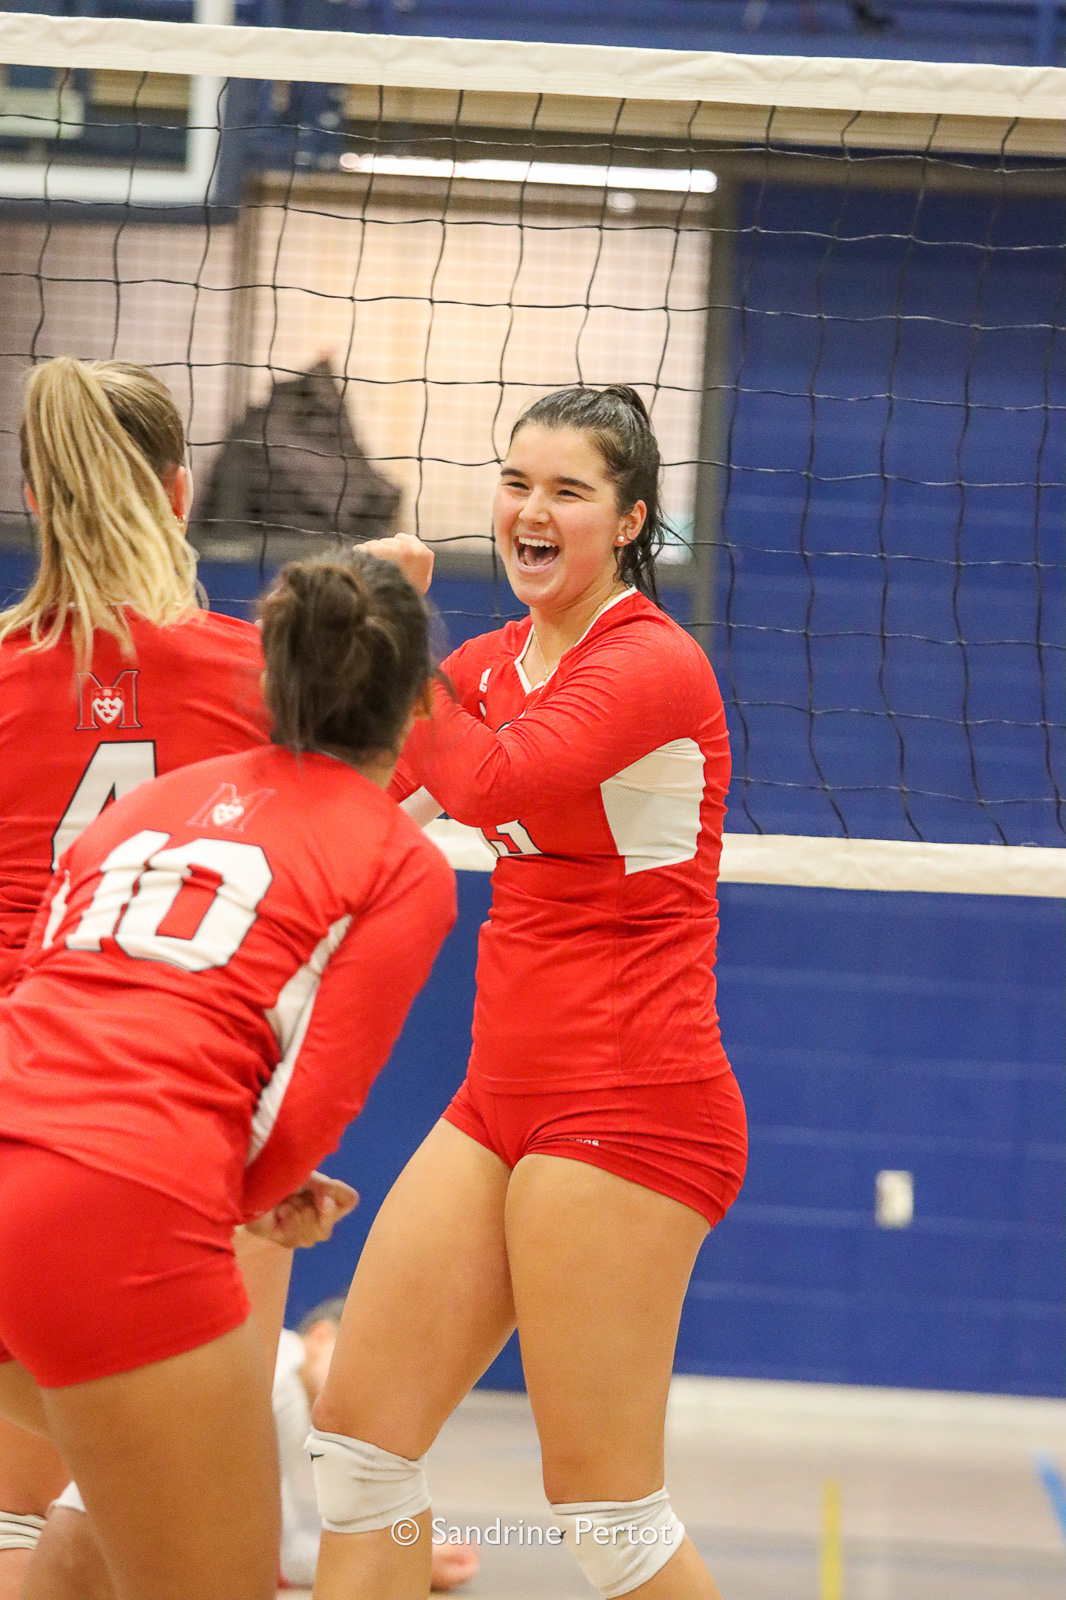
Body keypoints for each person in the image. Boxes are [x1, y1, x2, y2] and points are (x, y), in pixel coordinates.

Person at [308, 385, 748, 1600]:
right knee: (357, 1446)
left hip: (634, 1103)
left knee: (605, 1512)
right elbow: (350, 797)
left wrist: (395, 626)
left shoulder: (653, 661)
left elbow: (494, 779)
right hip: (501, 1096)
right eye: (516, 484)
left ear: (629, 521)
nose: (531, 512)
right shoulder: (486, 663)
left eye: (567, 491)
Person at [0, 550, 456, 1600]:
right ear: (418, 705)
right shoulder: (397, 861)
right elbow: (312, 1107)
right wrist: (260, 1197)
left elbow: (41, 982)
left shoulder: (142, 805)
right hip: (121, 1204)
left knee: (106, 1512)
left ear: (267, 684)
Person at [0, 353, 280, 1596]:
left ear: (40, 500)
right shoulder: (259, 675)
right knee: (201, 1542)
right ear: (179, 496)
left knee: (65, 1521)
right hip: (142, 1138)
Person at [274, 1300, 478, 1593]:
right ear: (320, 1336)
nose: (373, 1383)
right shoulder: (284, 1390)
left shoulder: (275, 1368)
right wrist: (398, 1561)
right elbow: (278, 1558)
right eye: (364, 1359)